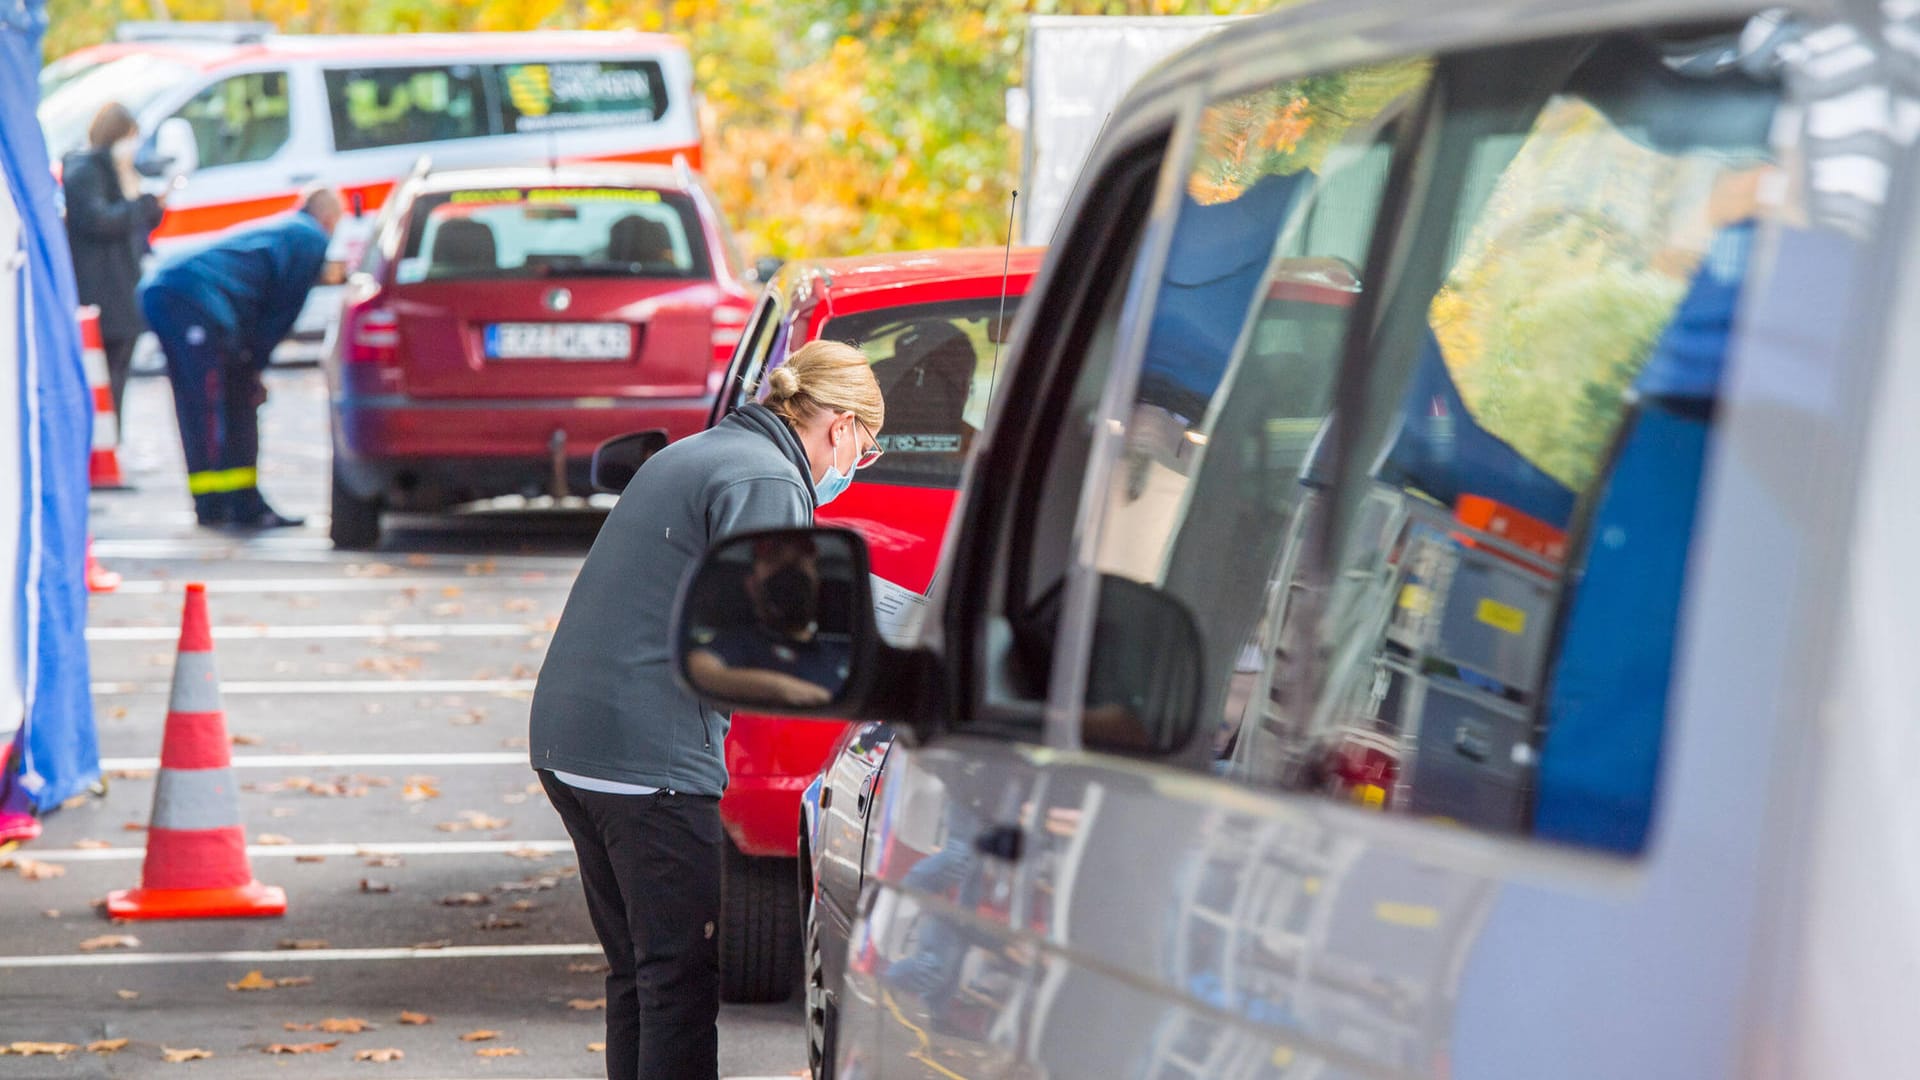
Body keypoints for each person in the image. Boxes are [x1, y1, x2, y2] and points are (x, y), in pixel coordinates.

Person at [529, 340, 885, 1080]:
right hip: (648, 755)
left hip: (573, 741)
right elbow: (779, 636)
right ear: (842, 427)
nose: (853, 467)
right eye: (867, 450)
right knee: (680, 982)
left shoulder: (699, 453)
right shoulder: (768, 478)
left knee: (641, 973)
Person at [138, 188, 342, 528]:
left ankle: (231, 502)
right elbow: (280, 313)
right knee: (208, 402)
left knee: (211, 401)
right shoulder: (310, 240)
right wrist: (254, 365)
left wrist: (247, 365)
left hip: (174, 293)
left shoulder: (288, 231)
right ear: (330, 219)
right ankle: (221, 504)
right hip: (190, 298)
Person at [62, 102, 164, 423]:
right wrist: (141, 205)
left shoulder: (120, 172)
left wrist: (148, 206)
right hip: (103, 293)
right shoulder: (86, 172)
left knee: (119, 376)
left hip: (123, 289)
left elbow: (134, 225)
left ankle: (113, 443)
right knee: (105, 376)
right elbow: (99, 220)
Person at [686, 534, 854, 707]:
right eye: (775, 559)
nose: (789, 581)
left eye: (799, 563)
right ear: (752, 585)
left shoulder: (847, 651)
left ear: (817, 582)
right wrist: (786, 690)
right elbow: (698, 669)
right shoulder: (738, 643)